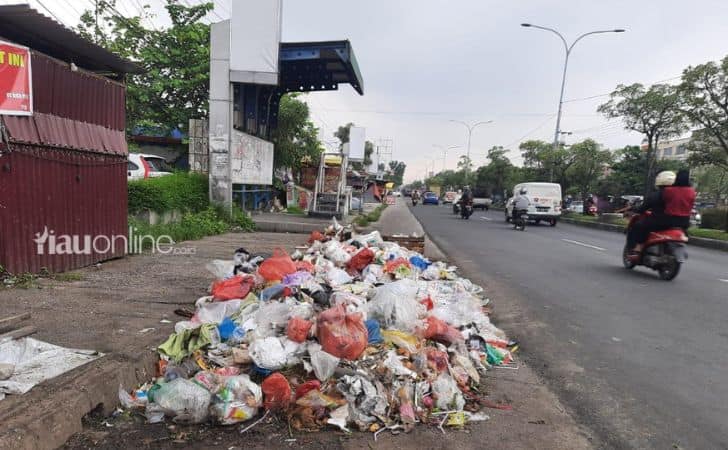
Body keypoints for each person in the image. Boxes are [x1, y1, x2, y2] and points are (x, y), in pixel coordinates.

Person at [627, 170, 696, 254]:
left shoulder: (667, 192)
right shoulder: (692, 192)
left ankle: (638, 247)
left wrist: (638, 210)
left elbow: (650, 203)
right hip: (684, 222)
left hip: (665, 221)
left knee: (639, 226)